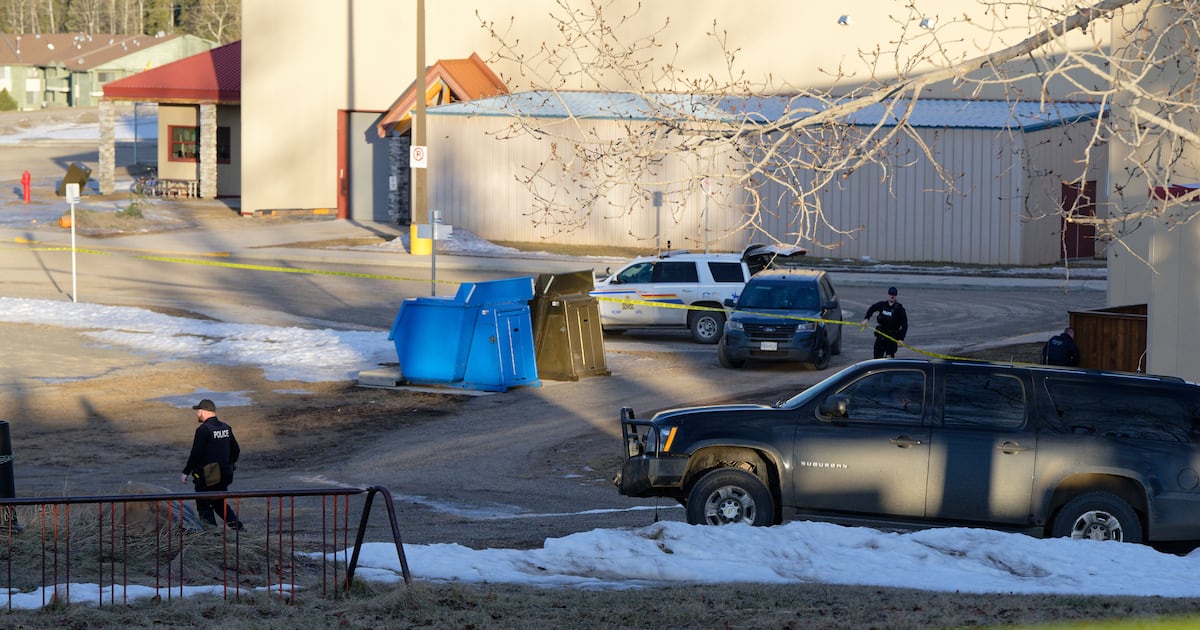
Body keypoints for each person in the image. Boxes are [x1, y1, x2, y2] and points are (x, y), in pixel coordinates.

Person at [180, 399, 243, 530]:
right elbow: (236, 450)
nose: (197, 414)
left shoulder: (203, 430)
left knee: (204, 506)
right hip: (224, 474)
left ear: (204, 411)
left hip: (208, 476)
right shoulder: (226, 427)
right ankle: (240, 530)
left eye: (198, 411)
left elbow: (195, 454)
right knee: (219, 503)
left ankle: (211, 538)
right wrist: (229, 464)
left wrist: (186, 472)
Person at [861, 286, 908, 359]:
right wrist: (866, 319)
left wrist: (901, 339)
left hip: (892, 337)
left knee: (889, 358)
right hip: (881, 335)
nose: (892, 296)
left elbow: (905, 325)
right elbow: (872, 309)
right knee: (877, 357)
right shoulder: (882, 305)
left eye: (894, 295)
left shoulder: (899, 309)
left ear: (896, 296)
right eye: (890, 294)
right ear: (888, 295)